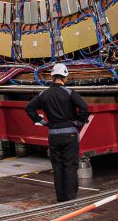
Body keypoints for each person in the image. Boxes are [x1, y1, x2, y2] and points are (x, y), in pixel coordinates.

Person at [25, 63, 90, 202]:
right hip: (70, 135)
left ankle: (60, 199)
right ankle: (70, 199)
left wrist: (42, 121)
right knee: (70, 167)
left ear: (52, 77)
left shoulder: (43, 94)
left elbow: (29, 108)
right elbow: (84, 108)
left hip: (53, 135)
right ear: (65, 77)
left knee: (57, 167)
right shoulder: (69, 92)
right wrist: (79, 121)